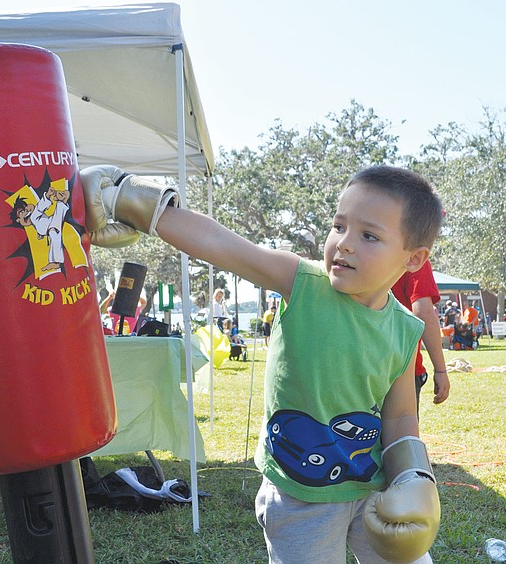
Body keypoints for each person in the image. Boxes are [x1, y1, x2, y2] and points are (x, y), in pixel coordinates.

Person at [82, 163, 443, 563]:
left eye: (369, 235)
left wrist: (413, 477)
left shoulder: (406, 329)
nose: (344, 243)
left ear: (414, 259)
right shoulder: (302, 283)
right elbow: (223, 245)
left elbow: (399, 418)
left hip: (374, 486)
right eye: (339, 226)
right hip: (299, 495)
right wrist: (137, 201)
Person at [391, 261, 450, 420]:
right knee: (399, 438)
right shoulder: (413, 257)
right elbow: (423, 311)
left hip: (352, 364)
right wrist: (440, 370)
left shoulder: (352, 251)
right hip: (401, 369)